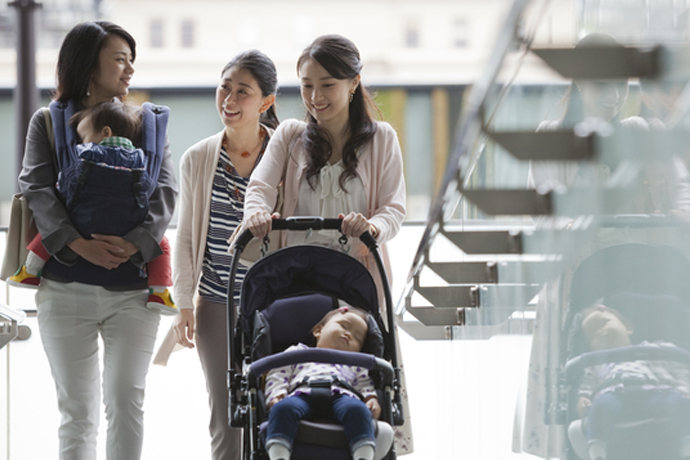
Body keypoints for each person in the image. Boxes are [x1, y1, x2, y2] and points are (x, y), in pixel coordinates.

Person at [241, 34, 412, 454]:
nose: (315, 97)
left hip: (359, 278)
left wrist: (371, 227)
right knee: (289, 365)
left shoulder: (381, 138)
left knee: (369, 375)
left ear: (354, 83)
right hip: (297, 279)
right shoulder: (291, 136)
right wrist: (257, 215)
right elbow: (259, 188)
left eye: (327, 84)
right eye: (306, 85)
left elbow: (395, 209)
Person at [19, 21, 177, 460]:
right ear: (89, 64)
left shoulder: (149, 122)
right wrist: (77, 244)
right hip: (65, 286)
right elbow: (37, 188)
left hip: (134, 292)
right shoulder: (47, 122)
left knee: (127, 402)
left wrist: (136, 243)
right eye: (119, 59)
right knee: (77, 412)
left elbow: (166, 192)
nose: (129, 70)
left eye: (132, 60)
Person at [170, 49, 279, 460]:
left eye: (243, 92)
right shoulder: (198, 158)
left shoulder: (285, 152)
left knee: (276, 409)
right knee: (227, 416)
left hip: (275, 304)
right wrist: (184, 304)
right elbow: (184, 238)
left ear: (266, 102)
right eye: (225, 87)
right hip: (216, 302)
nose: (229, 100)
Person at [8, 101, 177, 315]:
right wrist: (135, 243)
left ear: (105, 133)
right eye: (121, 63)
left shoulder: (87, 152)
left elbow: (42, 189)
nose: (128, 69)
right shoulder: (143, 152)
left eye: (84, 136)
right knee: (162, 245)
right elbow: (163, 190)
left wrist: (77, 242)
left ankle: (30, 270)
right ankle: (160, 291)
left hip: (81, 226)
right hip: (131, 251)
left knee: (49, 232)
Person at [265, 306, 380, 460]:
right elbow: (278, 372)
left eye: (357, 337)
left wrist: (371, 398)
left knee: (358, 410)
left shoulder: (355, 363)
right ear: (318, 331)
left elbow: (364, 383)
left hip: (342, 395)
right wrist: (277, 394)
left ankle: (363, 455)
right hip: (301, 393)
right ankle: (279, 455)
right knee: (282, 408)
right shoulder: (298, 351)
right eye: (343, 326)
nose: (348, 334)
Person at [576, 305, 690, 460]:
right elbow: (586, 383)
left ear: (627, 328)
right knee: (599, 408)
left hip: (657, 391)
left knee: (680, 403)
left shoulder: (656, 349)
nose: (598, 332)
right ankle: (597, 452)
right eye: (591, 335)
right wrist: (583, 398)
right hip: (612, 394)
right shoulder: (595, 363)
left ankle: (687, 445)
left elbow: (681, 368)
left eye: (602, 323)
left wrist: (684, 390)